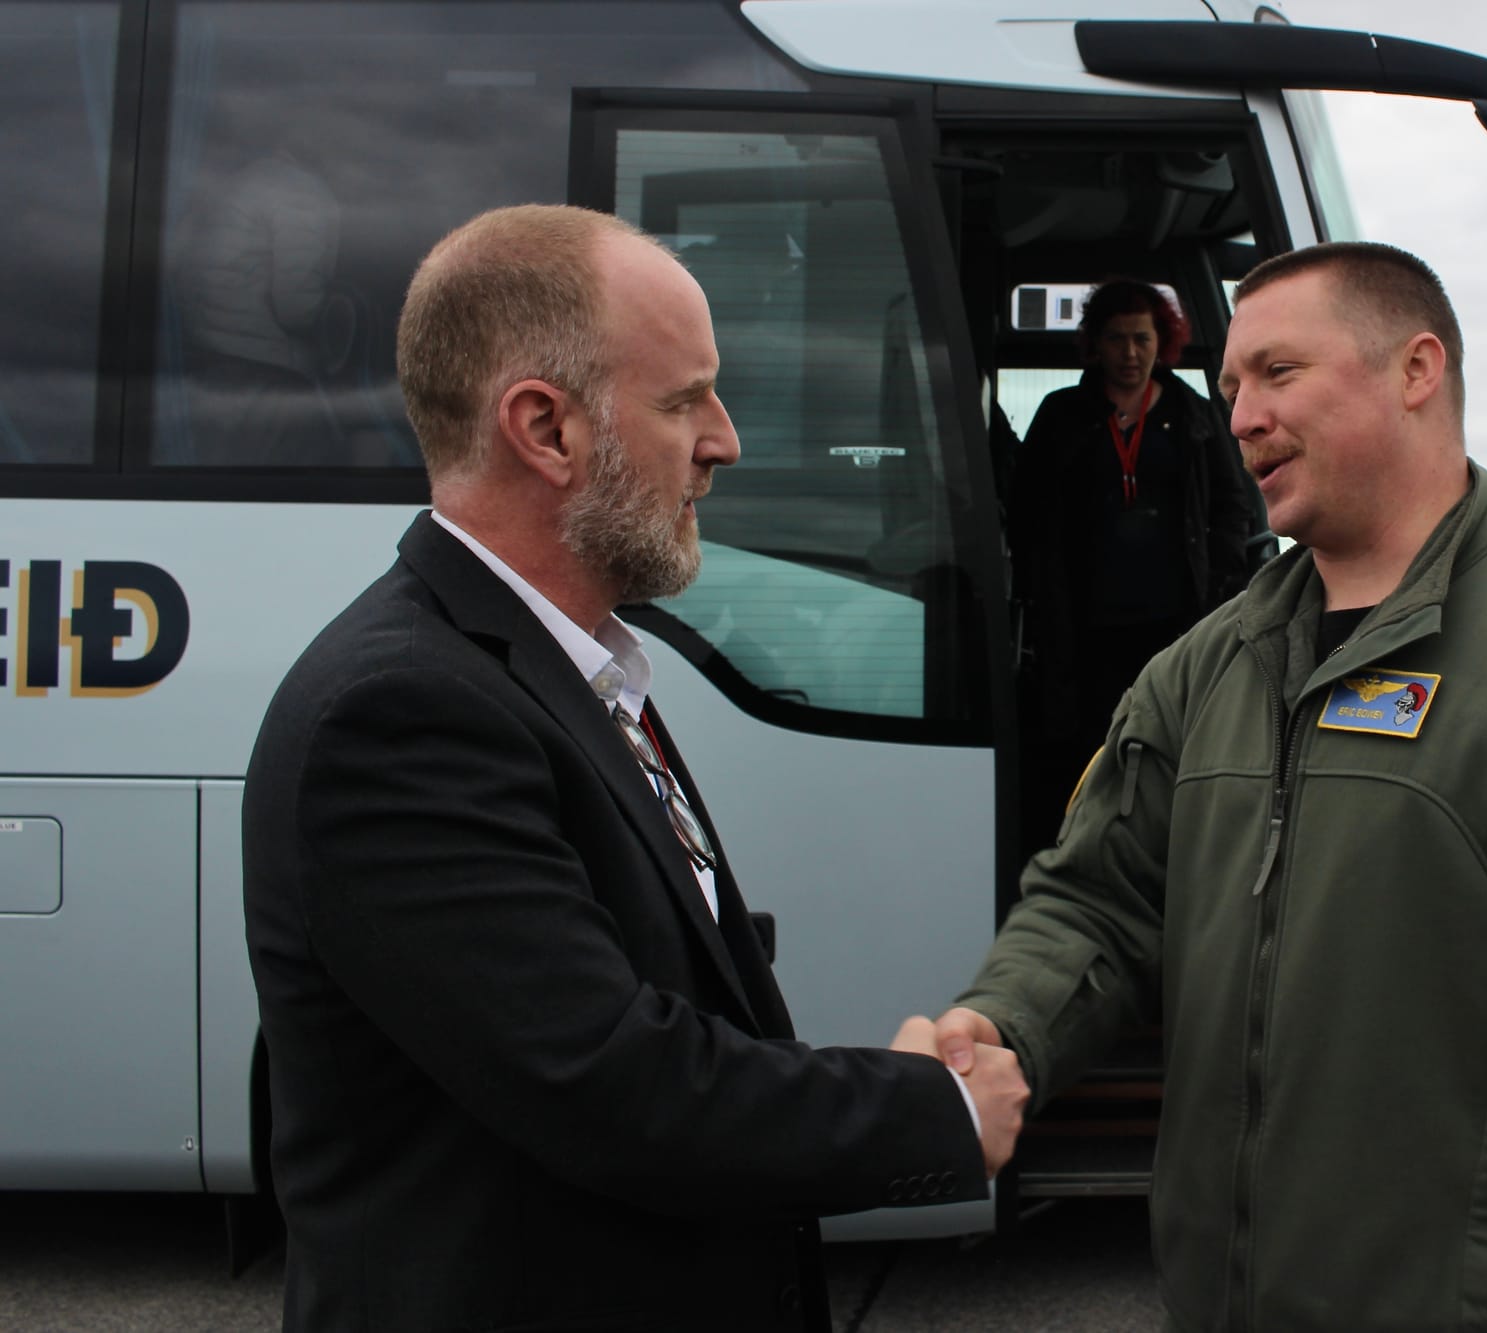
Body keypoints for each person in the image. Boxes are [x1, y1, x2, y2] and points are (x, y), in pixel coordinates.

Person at [935, 242, 1487, 1331]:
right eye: (1230, 385)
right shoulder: (1204, 667)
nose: (1241, 415)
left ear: (1415, 370)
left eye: (1278, 373)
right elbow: (1097, 900)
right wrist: (999, 1025)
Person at [241, 204, 1027, 1333]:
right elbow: (615, 1086)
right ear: (545, 429)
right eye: (682, 400)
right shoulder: (402, 713)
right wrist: (931, 1111)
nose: (724, 440)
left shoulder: (564, 669)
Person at [1008, 277, 1259, 845]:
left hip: (1175, 625)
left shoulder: (1194, 414)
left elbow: (1233, 506)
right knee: (1088, 755)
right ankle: (1086, 857)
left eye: (1141, 339)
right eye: (1116, 339)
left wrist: (1223, 592)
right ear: (1095, 345)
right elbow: (1026, 514)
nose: (1129, 353)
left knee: (1167, 750)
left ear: (1161, 342)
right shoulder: (1061, 414)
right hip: (1083, 631)